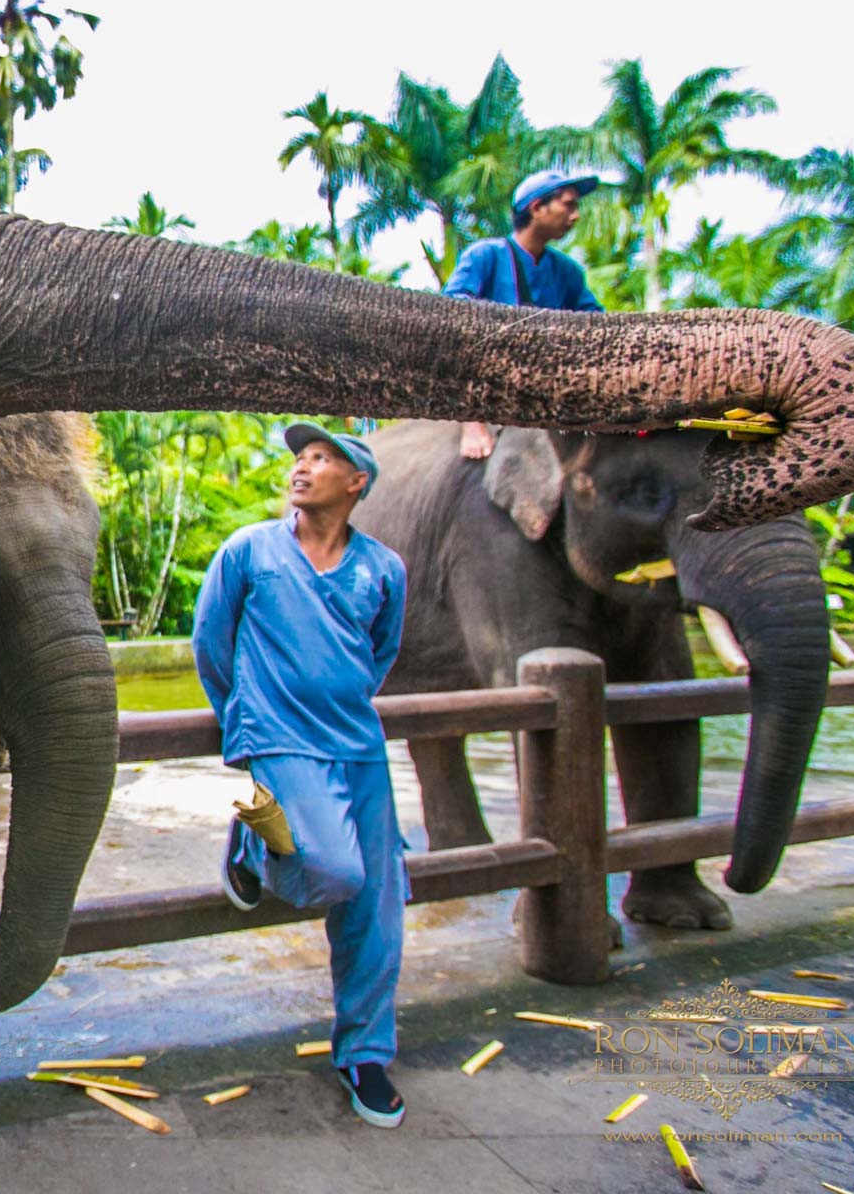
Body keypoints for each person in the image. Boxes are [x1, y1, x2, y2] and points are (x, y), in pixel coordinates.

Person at [192, 423, 410, 1129]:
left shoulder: (383, 569)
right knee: (334, 870)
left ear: (357, 484)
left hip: (358, 745)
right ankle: (255, 834)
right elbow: (209, 641)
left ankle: (366, 1053)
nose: (303, 466)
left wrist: (335, 696)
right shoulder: (249, 551)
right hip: (278, 739)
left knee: (377, 906)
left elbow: (382, 653)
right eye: (300, 457)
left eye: (323, 458)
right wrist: (245, 718)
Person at [443, 169, 603, 460]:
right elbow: (450, 313)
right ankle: (469, 420)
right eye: (568, 205)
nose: (575, 215)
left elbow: (597, 323)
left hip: (549, 381)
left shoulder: (567, 272)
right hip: (486, 377)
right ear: (537, 207)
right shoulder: (485, 256)